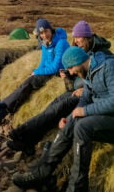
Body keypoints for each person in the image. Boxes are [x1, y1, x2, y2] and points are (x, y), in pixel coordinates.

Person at [13, 46, 114, 192]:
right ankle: (42, 172)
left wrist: (85, 111)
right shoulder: (88, 73)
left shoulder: (108, 67)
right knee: (73, 122)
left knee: (83, 126)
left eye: (71, 68)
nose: (71, 73)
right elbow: (85, 99)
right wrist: (71, 116)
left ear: (78, 61)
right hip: (105, 117)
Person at [7, 21, 112, 155]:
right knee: (54, 104)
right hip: (81, 91)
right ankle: (28, 139)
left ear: (87, 37)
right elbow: (80, 74)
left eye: (78, 37)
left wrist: (84, 88)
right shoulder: (85, 49)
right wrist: (68, 75)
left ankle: (21, 134)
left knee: (59, 108)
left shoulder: (103, 54)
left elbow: (99, 82)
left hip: (92, 97)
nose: (76, 41)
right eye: (74, 38)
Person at [0, 18, 70, 122]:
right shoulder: (45, 44)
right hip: (49, 71)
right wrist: (35, 71)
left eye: (46, 31)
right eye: (41, 33)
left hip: (58, 72)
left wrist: (37, 72)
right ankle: (3, 110)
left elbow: (56, 67)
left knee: (29, 83)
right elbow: (43, 63)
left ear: (51, 29)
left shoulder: (61, 43)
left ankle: (2, 107)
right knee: (28, 81)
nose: (44, 35)